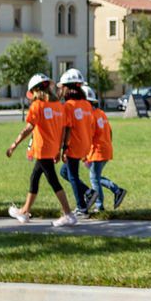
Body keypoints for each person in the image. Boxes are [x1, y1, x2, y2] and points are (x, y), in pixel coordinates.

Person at [5, 73, 76, 225]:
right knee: (34, 177)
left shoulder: (37, 106)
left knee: (53, 181)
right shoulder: (58, 106)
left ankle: (69, 214)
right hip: (51, 148)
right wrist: (58, 149)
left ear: (36, 90)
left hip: (42, 149)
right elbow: (61, 130)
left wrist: (14, 144)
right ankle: (24, 211)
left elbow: (28, 129)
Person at [58, 69, 96, 212]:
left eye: (62, 87)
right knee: (64, 172)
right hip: (85, 144)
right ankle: (88, 193)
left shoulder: (68, 106)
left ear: (68, 88)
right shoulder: (86, 104)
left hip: (74, 145)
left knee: (73, 176)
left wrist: (64, 148)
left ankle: (82, 206)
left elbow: (67, 129)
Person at [85, 86, 127, 213]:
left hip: (97, 151)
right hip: (106, 148)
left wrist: (85, 155)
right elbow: (109, 131)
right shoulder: (101, 113)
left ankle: (99, 205)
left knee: (94, 178)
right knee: (96, 177)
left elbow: (88, 137)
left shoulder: (90, 116)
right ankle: (117, 191)